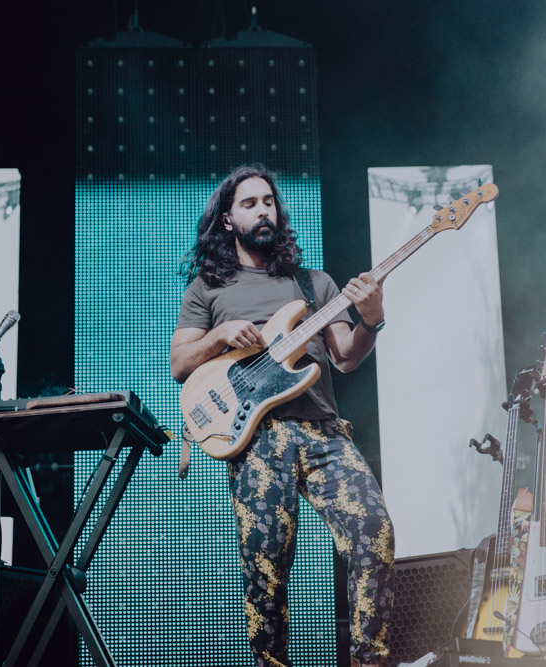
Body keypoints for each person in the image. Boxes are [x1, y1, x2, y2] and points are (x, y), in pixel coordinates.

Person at [170, 164, 395, 667]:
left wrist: (373, 320)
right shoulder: (209, 287)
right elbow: (181, 365)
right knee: (265, 573)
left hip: (324, 435)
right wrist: (219, 337)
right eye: (249, 204)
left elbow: (346, 357)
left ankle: (369, 659)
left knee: (374, 534)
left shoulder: (314, 284)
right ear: (228, 219)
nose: (262, 210)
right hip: (258, 439)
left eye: (268, 201)